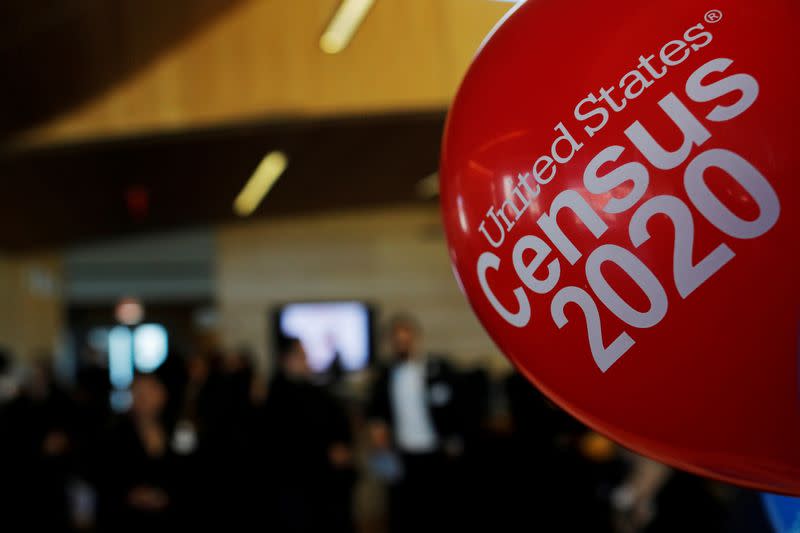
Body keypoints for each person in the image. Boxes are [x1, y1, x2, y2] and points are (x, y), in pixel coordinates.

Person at [366, 313, 465, 533]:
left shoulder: (437, 369)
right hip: (402, 453)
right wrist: (378, 432)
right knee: (404, 513)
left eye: (407, 340)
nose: (403, 346)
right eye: (398, 341)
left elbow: (457, 407)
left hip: (435, 451)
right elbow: (376, 412)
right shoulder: (385, 375)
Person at [254, 337, 356, 533]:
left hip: (323, 486)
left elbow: (336, 418)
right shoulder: (276, 398)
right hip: (298, 488)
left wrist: (342, 445)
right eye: (301, 356)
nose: (307, 360)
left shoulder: (314, 390)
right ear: (286, 360)